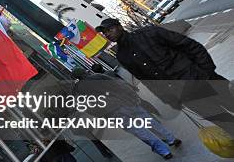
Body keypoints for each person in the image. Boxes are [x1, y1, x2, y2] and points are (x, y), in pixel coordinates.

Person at [96, 18, 234, 135]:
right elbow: (147, 81)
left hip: (202, 78)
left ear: (119, 27)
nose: (107, 34)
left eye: (109, 29)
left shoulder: (149, 33)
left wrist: (208, 71)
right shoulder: (122, 55)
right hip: (184, 94)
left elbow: (189, 45)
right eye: (105, 33)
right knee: (222, 120)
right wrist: (169, 98)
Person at [72, 67, 181, 159]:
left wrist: (101, 114)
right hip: (126, 102)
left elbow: (85, 107)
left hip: (111, 113)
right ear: (85, 72)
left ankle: (164, 152)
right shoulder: (98, 77)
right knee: (149, 122)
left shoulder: (77, 90)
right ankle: (170, 139)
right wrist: (133, 96)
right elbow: (119, 85)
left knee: (138, 131)